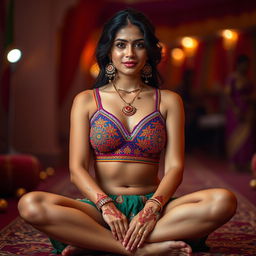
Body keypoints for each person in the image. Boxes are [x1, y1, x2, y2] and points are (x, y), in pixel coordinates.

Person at [18, 9, 237, 256]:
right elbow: (77, 169)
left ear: (150, 51)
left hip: (155, 208)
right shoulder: (87, 100)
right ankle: (138, 250)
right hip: (101, 209)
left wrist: (152, 208)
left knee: (223, 200)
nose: (129, 53)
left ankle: (95, 243)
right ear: (109, 50)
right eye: (121, 45)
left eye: (139, 45)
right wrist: (107, 206)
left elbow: (175, 167)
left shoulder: (168, 101)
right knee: (31, 204)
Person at [225, 54, 256, 172]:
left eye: (248, 65)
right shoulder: (232, 77)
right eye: (244, 64)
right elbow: (228, 95)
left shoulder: (247, 78)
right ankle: (234, 162)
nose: (246, 67)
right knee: (234, 134)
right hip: (235, 110)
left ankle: (246, 162)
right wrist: (236, 109)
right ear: (238, 64)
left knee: (248, 137)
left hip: (248, 110)